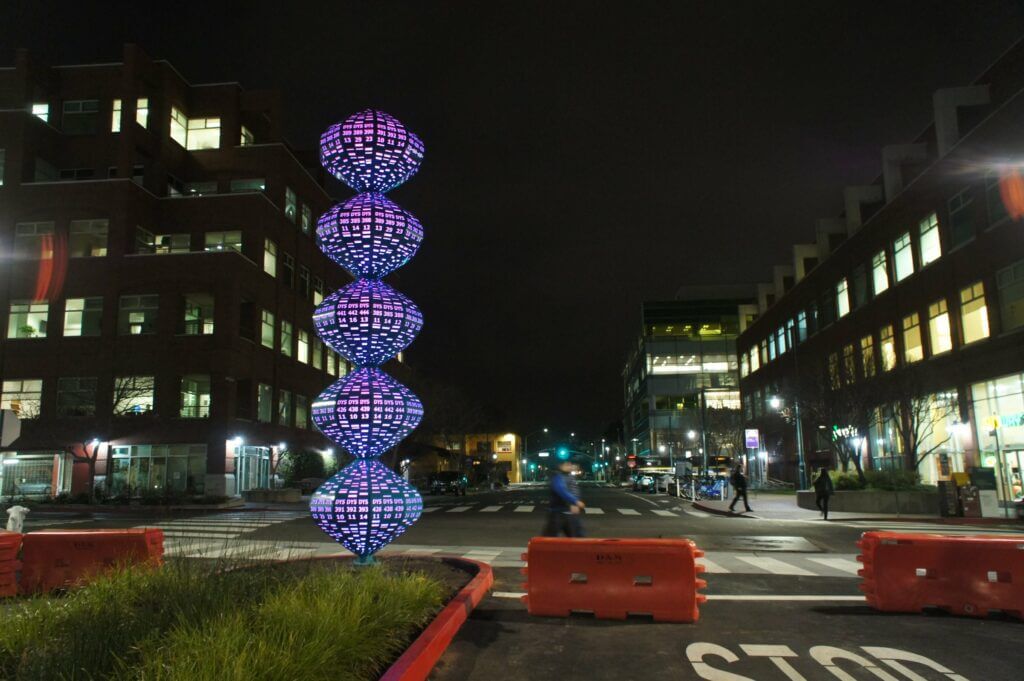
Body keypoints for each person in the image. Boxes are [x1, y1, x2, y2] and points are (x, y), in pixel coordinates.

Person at [542, 460, 585, 537]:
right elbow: (561, 490)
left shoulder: (570, 476)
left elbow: (574, 489)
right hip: (557, 512)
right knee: (549, 538)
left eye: (570, 464)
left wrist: (575, 503)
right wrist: (575, 502)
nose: (569, 466)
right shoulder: (556, 476)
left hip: (568, 512)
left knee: (577, 537)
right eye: (566, 465)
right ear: (560, 466)